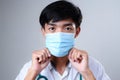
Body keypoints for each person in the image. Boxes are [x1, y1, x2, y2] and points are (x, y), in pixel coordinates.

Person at [16, 0, 111, 80]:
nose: (60, 35)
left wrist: (86, 73)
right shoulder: (30, 68)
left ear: (77, 32)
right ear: (43, 32)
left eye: (68, 28)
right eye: (52, 28)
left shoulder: (93, 66)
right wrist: (33, 72)